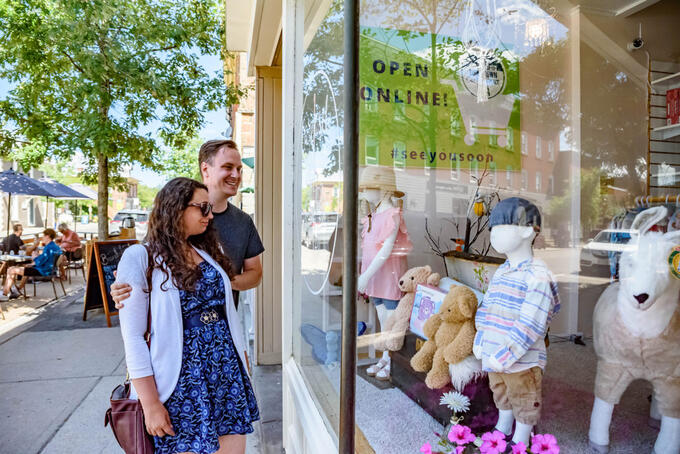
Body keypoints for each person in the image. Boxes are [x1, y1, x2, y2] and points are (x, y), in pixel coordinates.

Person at [116, 177, 259, 454]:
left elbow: (226, 311)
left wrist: (242, 356)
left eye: (210, 209)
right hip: (180, 381)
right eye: (201, 208)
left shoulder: (207, 250)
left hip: (225, 374)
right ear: (175, 208)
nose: (209, 215)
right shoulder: (140, 257)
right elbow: (133, 337)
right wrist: (150, 404)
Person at [112, 139, 264, 310]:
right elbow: (145, 264)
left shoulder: (243, 221)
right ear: (205, 169)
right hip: (172, 329)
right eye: (228, 167)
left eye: (239, 169)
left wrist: (219, 280)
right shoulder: (177, 214)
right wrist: (123, 289)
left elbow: (255, 273)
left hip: (223, 326)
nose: (236, 175)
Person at [0, 228, 61, 301]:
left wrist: (34, 257)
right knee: (18, 268)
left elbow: (40, 262)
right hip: (48, 270)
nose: (43, 238)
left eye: (43, 236)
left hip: (43, 271)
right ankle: (16, 290)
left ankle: (4, 294)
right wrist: (36, 259)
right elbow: (45, 259)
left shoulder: (48, 247)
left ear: (48, 236)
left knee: (11, 270)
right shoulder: (55, 246)